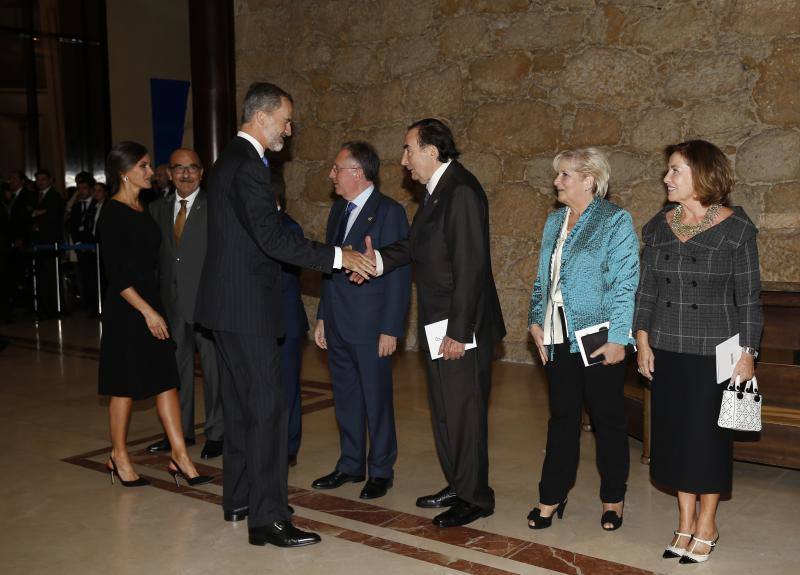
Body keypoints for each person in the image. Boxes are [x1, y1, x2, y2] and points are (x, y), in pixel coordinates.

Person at [194, 82, 375, 548]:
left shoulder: (225, 162)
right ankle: (268, 520)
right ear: (262, 116)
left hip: (224, 307)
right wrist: (339, 257)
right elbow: (272, 239)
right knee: (269, 411)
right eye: (286, 120)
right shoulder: (250, 166)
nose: (290, 130)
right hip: (247, 309)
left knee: (241, 409)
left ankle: (240, 498)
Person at [362, 118, 506, 527]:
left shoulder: (459, 190)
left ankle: (476, 498)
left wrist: (459, 333)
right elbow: (415, 245)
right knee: (445, 411)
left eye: (408, 149)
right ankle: (459, 484)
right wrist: (374, 260)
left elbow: (470, 266)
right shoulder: (436, 192)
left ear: (432, 150)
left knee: (464, 413)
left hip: (461, 326)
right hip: (439, 323)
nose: (403, 159)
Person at [634, 140, 762, 564]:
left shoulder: (736, 230)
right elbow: (647, 289)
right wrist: (642, 339)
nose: (666, 178)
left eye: (675, 171)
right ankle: (684, 521)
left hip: (716, 353)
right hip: (667, 347)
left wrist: (748, 352)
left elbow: (749, 298)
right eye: (668, 170)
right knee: (673, 437)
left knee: (706, 440)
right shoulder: (657, 226)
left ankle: (707, 524)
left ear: (702, 175)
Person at [526, 148, 639, 531]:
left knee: (607, 419)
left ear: (590, 179)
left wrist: (619, 337)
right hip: (556, 336)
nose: (556, 182)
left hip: (598, 337)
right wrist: (535, 322)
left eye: (564, 176)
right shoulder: (554, 221)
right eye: (557, 175)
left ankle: (613, 498)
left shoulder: (614, 220)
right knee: (562, 418)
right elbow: (543, 279)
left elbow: (625, 284)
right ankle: (551, 494)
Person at [97, 141, 212, 489]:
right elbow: (117, 274)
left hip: (152, 305)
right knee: (124, 386)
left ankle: (180, 455)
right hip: (128, 309)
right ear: (124, 172)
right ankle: (118, 455)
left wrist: (156, 307)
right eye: (144, 166)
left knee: (167, 381)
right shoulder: (113, 212)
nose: (152, 172)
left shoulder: (143, 206)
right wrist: (148, 312)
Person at [312, 141, 411, 500]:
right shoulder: (338, 211)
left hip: (371, 326)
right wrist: (323, 316)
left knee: (376, 398)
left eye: (337, 169)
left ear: (358, 172)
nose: (332, 175)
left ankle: (381, 469)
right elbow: (330, 265)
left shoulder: (390, 213)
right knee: (346, 397)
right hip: (338, 321)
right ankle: (351, 463)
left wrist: (391, 328)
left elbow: (400, 275)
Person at [146, 148, 224, 460]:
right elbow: (156, 260)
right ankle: (180, 432)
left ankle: (217, 433)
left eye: (192, 168)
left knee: (214, 371)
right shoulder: (156, 209)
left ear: (202, 172)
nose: (186, 174)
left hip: (207, 304)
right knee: (176, 372)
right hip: (172, 305)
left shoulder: (215, 206)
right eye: (179, 169)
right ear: (169, 173)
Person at [274, 180, 308, 468]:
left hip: (286, 321)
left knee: (287, 388)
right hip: (261, 323)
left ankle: (288, 446)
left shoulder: (290, 228)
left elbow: (285, 275)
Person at [31, 169, 65, 318]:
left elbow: (53, 218)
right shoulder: (35, 196)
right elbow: (31, 214)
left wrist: (38, 217)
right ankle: (44, 308)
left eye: (43, 179)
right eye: (38, 179)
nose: (40, 182)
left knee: (51, 276)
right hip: (38, 243)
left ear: (50, 180)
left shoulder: (54, 197)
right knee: (41, 276)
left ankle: (55, 308)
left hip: (50, 242)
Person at [68, 172, 99, 310]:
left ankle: (97, 303)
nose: (81, 191)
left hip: (94, 247)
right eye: (79, 188)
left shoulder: (96, 204)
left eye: (84, 188)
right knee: (84, 276)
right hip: (81, 247)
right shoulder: (76, 206)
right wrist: (78, 243)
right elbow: (72, 227)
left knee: (95, 276)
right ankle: (89, 304)